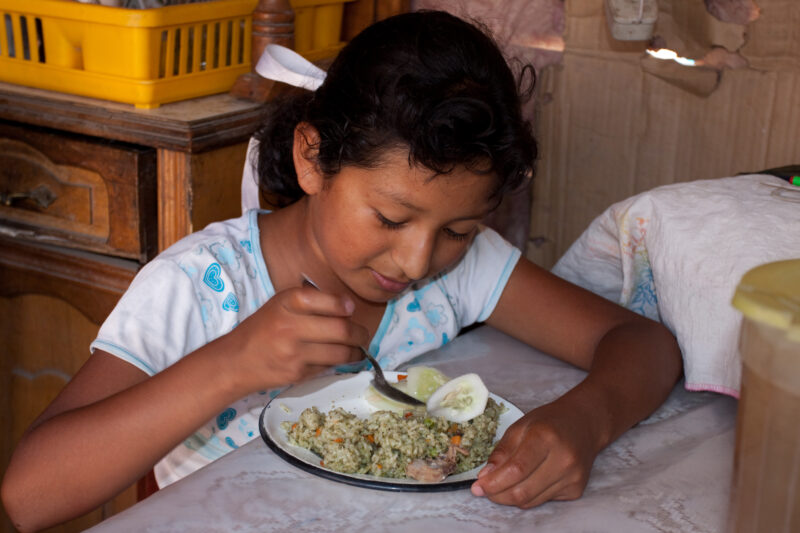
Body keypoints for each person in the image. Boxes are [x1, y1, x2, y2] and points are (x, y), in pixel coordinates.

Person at [1, 10, 682, 531]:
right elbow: (29, 494)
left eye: (457, 230)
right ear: (311, 158)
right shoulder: (202, 288)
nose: (417, 261)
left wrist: (586, 421)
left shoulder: (458, 271)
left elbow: (645, 345)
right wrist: (232, 362)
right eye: (389, 219)